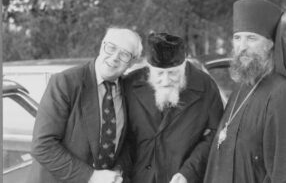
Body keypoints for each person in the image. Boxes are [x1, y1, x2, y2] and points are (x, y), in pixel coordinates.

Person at [204, 0, 286, 183]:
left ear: (270, 44)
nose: (242, 47)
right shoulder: (243, 84)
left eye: (251, 38)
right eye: (237, 38)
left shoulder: (283, 94)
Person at [29, 27, 143, 183]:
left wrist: (118, 170)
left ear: (132, 62)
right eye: (111, 47)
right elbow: (43, 146)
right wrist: (91, 176)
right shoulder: (65, 82)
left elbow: (126, 143)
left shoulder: (128, 90)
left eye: (124, 54)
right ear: (102, 46)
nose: (115, 57)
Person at [121, 33, 223, 183]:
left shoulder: (205, 86)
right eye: (159, 73)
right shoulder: (130, 84)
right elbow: (121, 138)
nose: (166, 80)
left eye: (173, 73)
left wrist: (189, 172)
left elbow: (214, 135)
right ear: (149, 69)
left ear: (184, 66)